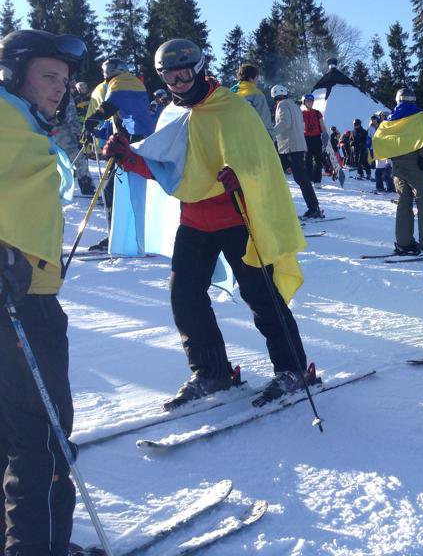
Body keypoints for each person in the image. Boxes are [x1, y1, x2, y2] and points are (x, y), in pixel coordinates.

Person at [104, 39, 315, 410]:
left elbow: (260, 162)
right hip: (195, 219)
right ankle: (212, 371)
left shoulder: (231, 108)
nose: (179, 79)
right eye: (170, 74)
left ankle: (293, 369)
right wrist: (130, 158)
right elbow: (169, 169)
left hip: (237, 216)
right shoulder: (173, 114)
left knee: (261, 295)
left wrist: (242, 175)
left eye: (185, 70)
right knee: (183, 295)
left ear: (200, 68)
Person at [0, 28, 88, 555]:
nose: (61, 88)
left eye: (65, 80)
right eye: (48, 76)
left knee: (13, 430)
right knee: (44, 434)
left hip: (23, 290)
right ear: (16, 73)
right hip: (20, 303)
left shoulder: (26, 126)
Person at [82, 57, 156, 250]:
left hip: (133, 149)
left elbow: (111, 105)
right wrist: (95, 131)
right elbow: (117, 121)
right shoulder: (128, 84)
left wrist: (94, 118)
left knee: (113, 192)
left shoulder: (125, 82)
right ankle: (122, 236)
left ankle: (119, 238)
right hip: (131, 146)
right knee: (116, 192)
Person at [372, 87, 423, 255]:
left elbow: (377, 138)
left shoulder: (389, 120)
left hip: (397, 166)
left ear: (398, 100)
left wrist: (391, 154)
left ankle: (404, 242)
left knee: (404, 202)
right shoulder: (420, 116)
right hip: (415, 163)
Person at [272, 84, 323, 219]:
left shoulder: (282, 105)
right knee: (297, 178)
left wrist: (271, 132)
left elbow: (285, 122)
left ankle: (313, 208)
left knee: (299, 178)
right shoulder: (295, 106)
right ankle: (313, 207)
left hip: (290, 147)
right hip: (297, 145)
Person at [230, 63, 274, 139]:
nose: (257, 81)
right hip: (253, 138)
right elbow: (264, 119)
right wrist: (270, 136)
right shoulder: (257, 94)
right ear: (251, 78)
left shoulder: (231, 93)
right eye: (257, 78)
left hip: (234, 138)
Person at [301, 93, 327, 183]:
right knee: (307, 160)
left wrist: (325, 134)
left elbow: (322, 124)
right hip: (306, 139)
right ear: (304, 102)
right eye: (308, 101)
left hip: (316, 138)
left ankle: (317, 180)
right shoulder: (301, 113)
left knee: (318, 160)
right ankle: (309, 178)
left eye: (311, 101)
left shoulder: (317, 113)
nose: (310, 103)